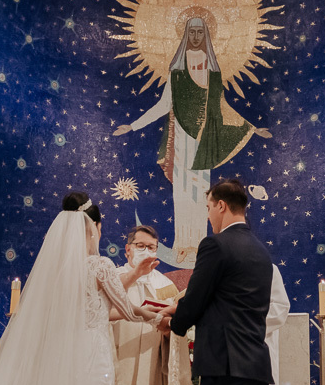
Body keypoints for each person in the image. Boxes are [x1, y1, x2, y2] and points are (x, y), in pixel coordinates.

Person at [0, 192, 166, 385]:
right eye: (100, 227)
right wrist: (155, 317)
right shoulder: (100, 265)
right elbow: (127, 310)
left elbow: (102, 302)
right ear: (93, 228)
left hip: (61, 352)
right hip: (92, 353)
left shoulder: (57, 271)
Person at [113, 17, 270, 268]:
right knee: (182, 192)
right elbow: (163, 106)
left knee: (201, 194)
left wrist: (250, 128)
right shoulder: (176, 73)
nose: (196, 36)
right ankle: (182, 246)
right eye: (192, 31)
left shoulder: (212, 71)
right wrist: (133, 125)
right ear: (186, 34)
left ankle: (199, 245)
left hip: (203, 141)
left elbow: (222, 107)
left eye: (200, 31)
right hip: (182, 140)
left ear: (206, 35)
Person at [167, 179, 274, 385]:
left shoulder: (215, 245)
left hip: (226, 368)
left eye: (208, 207)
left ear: (221, 206)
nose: (208, 215)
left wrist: (174, 322)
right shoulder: (261, 251)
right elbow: (230, 300)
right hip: (255, 367)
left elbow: (196, 297)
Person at [112, 225, 193, 385]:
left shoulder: (165, 284)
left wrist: (168, 331)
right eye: (140, 246)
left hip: (153, 362)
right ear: (128, 249)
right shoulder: (114, 279)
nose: (146, 251)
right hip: (120, 355)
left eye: (151, 247)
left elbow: (173, 328)